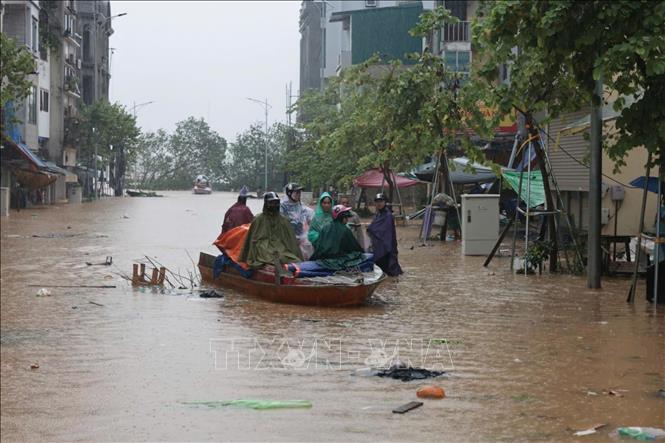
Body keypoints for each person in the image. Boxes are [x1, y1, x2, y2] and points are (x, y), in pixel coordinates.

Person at [239, 192, 303, 269]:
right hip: (263, 248)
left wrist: (298, 257)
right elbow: (251, 240)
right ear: (266, 203)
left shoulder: (284, 220)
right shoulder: (258, 219)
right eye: (271, 203)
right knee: (271, 257)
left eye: (276, 202)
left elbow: (291, 241)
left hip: (280, 249)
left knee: (293, 259)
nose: (274, 205)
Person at [311, 204, 365, 270]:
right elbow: (355, 247)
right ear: (342, 217)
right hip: (338, 262)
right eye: (346, 217)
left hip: (323, 261)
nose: (347, 219)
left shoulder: (325, 227)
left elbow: (318, 246)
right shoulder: (345, 230)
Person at [367, 193, 403, 276]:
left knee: (389, 270)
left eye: (381, 201)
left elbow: (385, 231)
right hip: (378, 246)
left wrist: (371, 228)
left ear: (385, 202)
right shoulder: (377, 214)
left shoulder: (388, 216)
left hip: (387, 246)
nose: (379, 203)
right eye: (377, 201)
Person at [280, 182, 313, 258]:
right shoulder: (282, 206)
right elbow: (282, 223)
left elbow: (308, 214)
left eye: (300, 192)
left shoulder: (300, 204)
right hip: (287, 237)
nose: (299, 194)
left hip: (300, 235)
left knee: (308, 245)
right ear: (289, 193)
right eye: (296, 192)